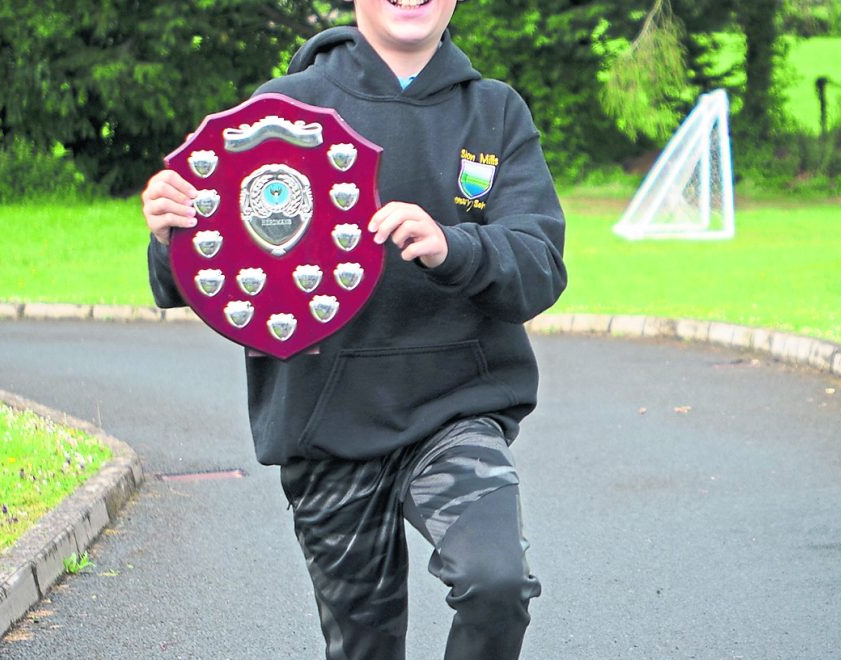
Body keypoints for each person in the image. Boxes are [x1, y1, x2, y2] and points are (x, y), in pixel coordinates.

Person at [140, 1, 566, 658]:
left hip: (456, 411)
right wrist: (172, 236)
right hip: (326, 427)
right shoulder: (282, 111)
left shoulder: (496, 111)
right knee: (364, 648)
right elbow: (211, 269)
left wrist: (455, 246)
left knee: (496, 582)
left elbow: (540, 264)